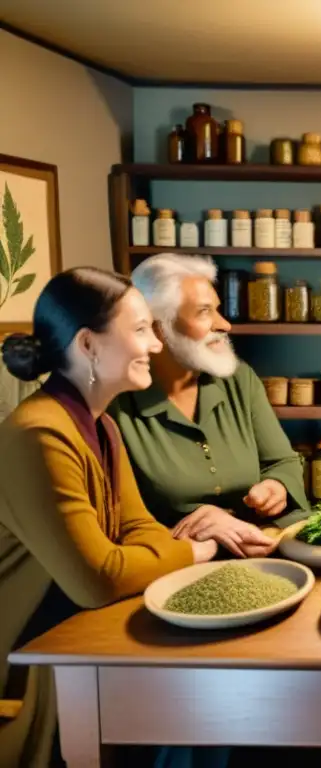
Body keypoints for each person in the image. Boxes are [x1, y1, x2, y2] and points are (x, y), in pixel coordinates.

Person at [0, 268, 216, 768]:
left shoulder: (103, 426)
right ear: (88, 344)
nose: (156, 347)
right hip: (29, 665)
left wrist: (143, 553)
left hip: (82, 636)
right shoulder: (39, 436)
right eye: (140, 330)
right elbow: (98, 580)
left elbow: (138, 530)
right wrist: (193, 551)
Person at [110, 253, 309, 558]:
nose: (225, 324)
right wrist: (205, 531)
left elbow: (283, 461)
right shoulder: (114, 407)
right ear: (156, 327)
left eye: (218, 310)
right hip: (175, 564)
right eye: (204, 312)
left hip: (261, 546)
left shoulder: (238, 379)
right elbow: (114, 529)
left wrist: (276, 487)